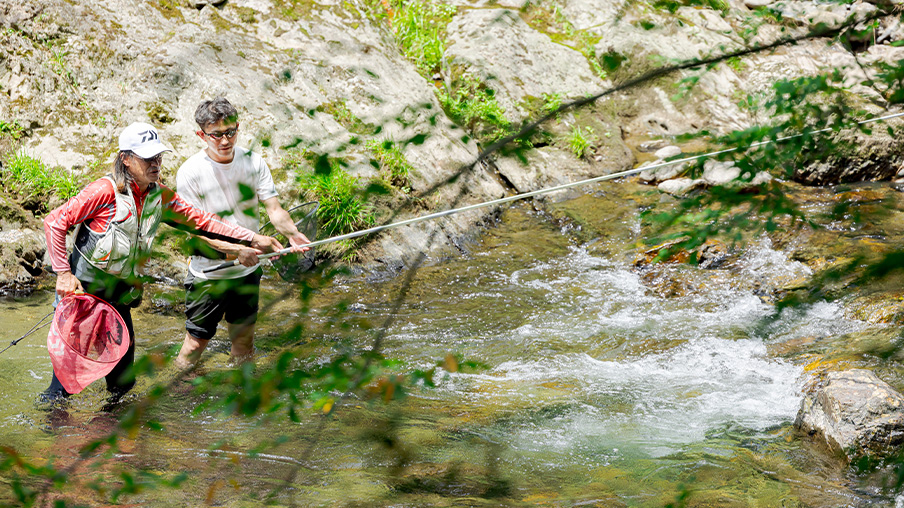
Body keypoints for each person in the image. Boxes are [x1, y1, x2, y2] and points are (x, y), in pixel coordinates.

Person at [42, 122, 285, 401]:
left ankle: (114, 436)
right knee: (64, 385)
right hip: (82, 298)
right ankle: (53, 436)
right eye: (147, 158)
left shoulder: (161, 197)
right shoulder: (104, 191)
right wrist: (62, 273)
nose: (155, 163)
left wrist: (251, 238)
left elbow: (203, 222)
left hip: (120, 300)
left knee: (123, 385)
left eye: (158, 156)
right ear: (126, 159)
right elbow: (55, 222)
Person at [173, 98, 310, 368]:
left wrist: (292, 233)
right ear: (201, 135)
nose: (225, 141)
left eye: (231, 132)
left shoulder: (253, 162)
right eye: (217, 135)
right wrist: (236, 250)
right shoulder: (190, 172)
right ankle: (179, 398)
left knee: (244, 344)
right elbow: (197, 230)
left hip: (248, 271)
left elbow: (274, 209)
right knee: (194, 346)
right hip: (209, 273)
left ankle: (240, 399)